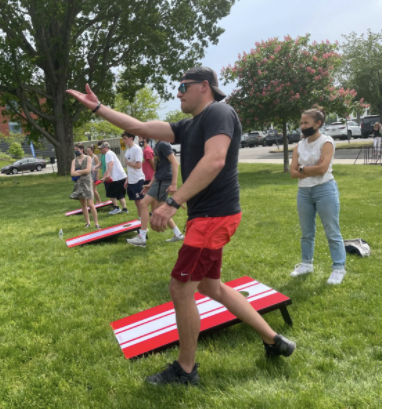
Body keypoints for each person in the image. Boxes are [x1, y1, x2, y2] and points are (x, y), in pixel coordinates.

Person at [67, 66, 295, 386]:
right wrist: (97, 106)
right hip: (209, 217)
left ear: (204, 86)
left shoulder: (219, 111)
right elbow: (136, 125)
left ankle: (186, 371)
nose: (178, 93)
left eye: (182, 86)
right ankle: (274, 340)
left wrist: (174, 202)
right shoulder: (187, 127)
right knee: (210, 286)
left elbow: (215, 159)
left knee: (180, 287)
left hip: (214, 217)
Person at [290, 105, 347, 285]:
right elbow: (293, 172)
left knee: (332, 231)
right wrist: (309, 169)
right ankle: (306, 264)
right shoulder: (299, 146)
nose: (302, 125)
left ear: (318, 123)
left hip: (325, 189)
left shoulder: (326, 142)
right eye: (301, 122)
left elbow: (323, 170)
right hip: (304, 192)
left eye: (306, 122)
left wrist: (302, 168)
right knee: (307, 232)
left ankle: (338, 268)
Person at [126, 136, 183, 247]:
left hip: (164, 181)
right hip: (159, 180)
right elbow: (158, 170)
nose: (141, 139)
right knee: (159, 210)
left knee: (143, 203)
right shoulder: (157, 145)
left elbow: (175, 163)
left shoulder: (163, 144)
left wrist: (174, 184)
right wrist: (150, 184)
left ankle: (142, 238)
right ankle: (178, 234)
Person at [70, 143, 101, 229]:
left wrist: (78, 171)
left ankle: (96, 223)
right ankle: (88, 223)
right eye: (75, 150)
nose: (76, 151)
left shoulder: (88, 158)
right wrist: (80, 172)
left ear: (82, 149)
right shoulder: (74, 161)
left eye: (78, 149)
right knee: (83, 204)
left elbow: (88, 170)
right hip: (78, 184)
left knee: (91, 204)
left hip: (87, 183)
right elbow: (72, 173)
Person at [122, 132, 147, 221]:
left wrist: (128, 163)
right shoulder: (128, 150)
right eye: (123, 138)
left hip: (138, 179)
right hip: (131, 180)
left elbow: (138, 165)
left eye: (125, 138)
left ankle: (143, 224)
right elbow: (130, 168)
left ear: (131, 138)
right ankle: (141, 221)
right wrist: (127, 179)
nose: (123, 140)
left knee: (140, 202)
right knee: (137, 202)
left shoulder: (136, 149)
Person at [100, 142, 128, 214]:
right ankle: (124, 209)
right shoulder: (110, 153)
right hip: (120, 176)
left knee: (111, 193)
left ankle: (116, 208)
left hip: (116, 178)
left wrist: (107, 175)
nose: (100, 150)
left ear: (105, 148)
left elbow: (111, 164)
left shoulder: (108, 153)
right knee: (120, 194)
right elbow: (108, 166)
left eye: (101, 148)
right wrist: (105, 175)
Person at [139, 136, 155, 215]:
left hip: (150, 176)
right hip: (145, 176)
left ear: (144, 139)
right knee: (150, 195)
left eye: (140, 139)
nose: (139, 140)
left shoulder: (148, 150)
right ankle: (152, 211)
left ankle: (153, 211)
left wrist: (155, 173)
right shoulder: (144, 150)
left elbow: (153, 164)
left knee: (151, 196)